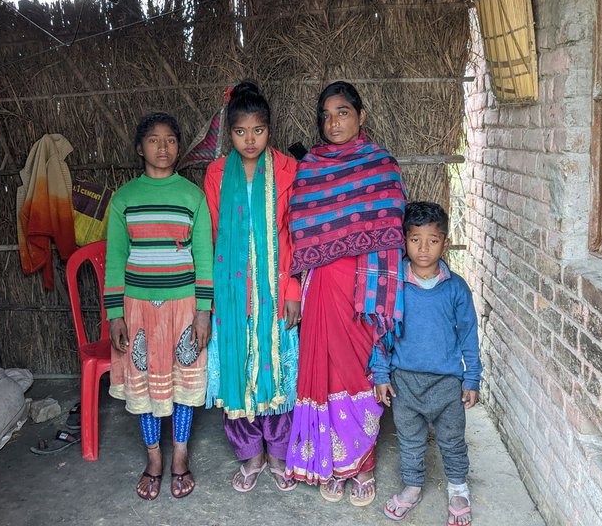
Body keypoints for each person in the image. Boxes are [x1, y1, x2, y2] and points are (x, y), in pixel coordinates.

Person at [285, 81, 407, 506]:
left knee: (360, 371)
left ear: (361, 116)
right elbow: (299, 225)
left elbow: (392, 226)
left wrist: (374, 288)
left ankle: (364, 465)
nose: (333, 122)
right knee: (326, 372)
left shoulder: (381, 165)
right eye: (327, 116)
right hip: (321, 285)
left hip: (363, 288)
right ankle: (333, 465)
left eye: (342, 113)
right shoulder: (311, 167)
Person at [104, 112, 213, 500]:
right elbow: (115, 259)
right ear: (140, 147)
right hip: (138, 310)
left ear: (178, 147)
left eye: (170, 140)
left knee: (183, 383)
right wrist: (114, 314)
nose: (162, 147)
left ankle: (180, 455)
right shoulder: (125, 199)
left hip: (183, 308)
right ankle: (154, 459)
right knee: (146, 383)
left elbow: (203, 255)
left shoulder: (192, 196)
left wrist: (203, 311)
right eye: (153, 139)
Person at [204, 81, 301, 493]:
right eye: (241, 132)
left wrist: (294, 291)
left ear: (269, 130)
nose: (250, 140)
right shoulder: (214, 174)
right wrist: (209, 302)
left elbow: (296, 233)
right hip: (231, 293)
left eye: (257, 131)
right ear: (229, 133)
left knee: (276, 372)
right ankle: (251, 455)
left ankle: (278, 454)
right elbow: (209, 236)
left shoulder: (286, 170)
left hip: (275, 292)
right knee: (236, 370)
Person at [372, 201, 481, 525]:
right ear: (404, 240)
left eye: (432, 240)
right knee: (410, 440)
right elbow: (381, 330)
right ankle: (413, 485)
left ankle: (458, 487)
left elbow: (469, 334)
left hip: (447, 384)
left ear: (445, 243)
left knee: (452, 440)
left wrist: (471, 378)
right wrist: (381, 372)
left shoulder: (456, 288)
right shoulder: (393, 286)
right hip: (404, 380)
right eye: (415, 239)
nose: (423, 248)